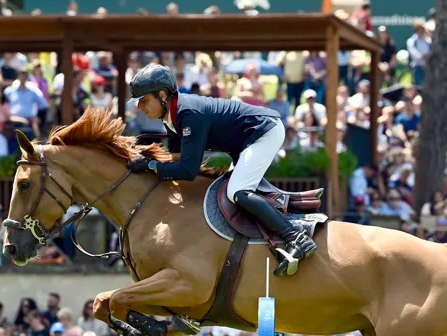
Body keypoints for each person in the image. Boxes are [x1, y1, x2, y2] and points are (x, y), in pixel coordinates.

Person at [126, 65, 314, 276]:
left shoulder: (188, 113)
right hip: (245, 140)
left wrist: (150, 166)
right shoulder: (172, 116)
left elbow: (188, 170)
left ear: (162, 95)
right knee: (229, 193)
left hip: (263, 131)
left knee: (238, 192)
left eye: (143, 101)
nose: (139, 107)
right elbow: (176, 158)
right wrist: (149, 160)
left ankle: (297, 237)